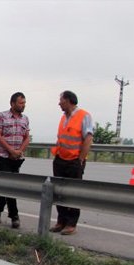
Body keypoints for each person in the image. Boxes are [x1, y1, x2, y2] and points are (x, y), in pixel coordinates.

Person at [49, 90, 94, 236]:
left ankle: (71, 223)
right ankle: (61, 221)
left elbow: (88, 138)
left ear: (68, 100)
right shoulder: (63, 117)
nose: (59, 103)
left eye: (61, 100)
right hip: (60, 159)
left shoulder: (84, 116)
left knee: (73, 193)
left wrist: (81, 158)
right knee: (59, 192)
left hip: (74, 161)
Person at [0, 92, 30, 228]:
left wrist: (19, 151)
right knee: (9, 185)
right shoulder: (2, 116)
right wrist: (10, 150)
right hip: (3, 156)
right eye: (21, 103)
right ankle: (14, 216)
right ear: (12, 103)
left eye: (24, 103)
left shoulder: (25, 119)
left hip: (17, 158)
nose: (23, 105)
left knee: (8, 185)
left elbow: (27, 137)